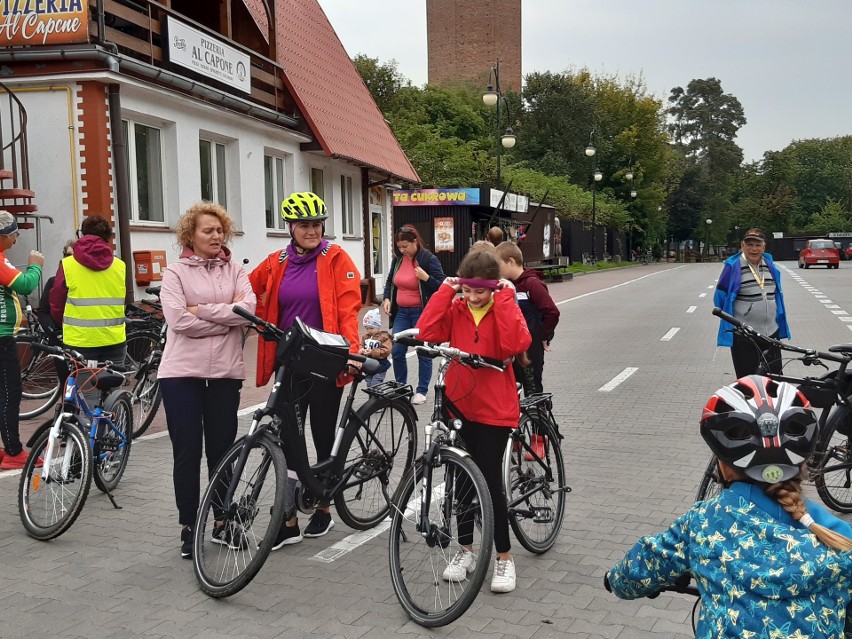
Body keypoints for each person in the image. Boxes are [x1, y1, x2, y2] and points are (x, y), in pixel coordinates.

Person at [606, 375, 852, 638]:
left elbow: (633, 575)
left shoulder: (704, 523)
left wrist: (614, 580)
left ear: (723, 465)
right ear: (803, 461)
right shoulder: (840, 539)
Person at [249, 192, 361, 548]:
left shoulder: (336, 258)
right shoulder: (276, 261)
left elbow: (348, 309)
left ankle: (325, 507)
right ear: (290, 228)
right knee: (286, 438)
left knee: (322, 433)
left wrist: (353, 353)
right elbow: (247, 290)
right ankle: (288, 517)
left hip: (325, 359)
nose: (311, 230)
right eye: (304, 225)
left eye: (316, 224)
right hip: (290, 362)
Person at [416, 250, 532, 594]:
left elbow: (516, 343)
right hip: (459, 406)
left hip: (494, 410)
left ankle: (504, 557)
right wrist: (445, 290)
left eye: (480, 290)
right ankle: (465, 551)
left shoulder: (503, 304)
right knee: (461, 482)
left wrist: (506, 295)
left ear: (492, 287)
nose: (474, 296)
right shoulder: (457, 306)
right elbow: (427, 333)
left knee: (490, 483)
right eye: (468, 290)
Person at [158, 202, 256, 558]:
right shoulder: (175, 273)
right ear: (191, 236)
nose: (216, 236)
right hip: (181, 374)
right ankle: (188, 525)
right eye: (208, 231)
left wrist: (201, 311)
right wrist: (226, 317)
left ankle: (222, 522)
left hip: (225, 374)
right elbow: (178, 321)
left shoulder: (235, 271)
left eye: (219, 231)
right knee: (187, 453)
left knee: (222, 453)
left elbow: (248, 312)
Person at [50, 215, 127, 365]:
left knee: (84, 387)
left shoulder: (67, 265)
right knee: (112, 385)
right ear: (108, 237)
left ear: (82, 234)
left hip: (80, 341)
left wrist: (66, 324)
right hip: (114, 339)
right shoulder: (120, 266)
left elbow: (56, 303)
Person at [382, 224, 445, 405]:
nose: (402, 250)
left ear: (415, 242)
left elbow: (442, 286)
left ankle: (421, 390)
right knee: (397, 350)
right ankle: (401, 387)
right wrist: (387, 298)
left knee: (422, 350)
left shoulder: (427, 259)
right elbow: (390, 281)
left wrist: (426, 278)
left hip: (421, 313)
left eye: (405, 246)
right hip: (401, 312)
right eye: (399, 247)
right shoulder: (398, 260)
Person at [0, 212, 44, 470]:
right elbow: (26, 285)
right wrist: (35, 264)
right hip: (2, 339)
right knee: (9, 394)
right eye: (15, 233)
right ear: (4, 236)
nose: (17, 239)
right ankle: (14, 451)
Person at [714, 228, 789, 378]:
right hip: (745, 336)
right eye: (749, 244)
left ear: (763, 247)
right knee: (748, 382)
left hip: (771, 334)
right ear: (742, 245)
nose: (753, 249)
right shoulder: (732, 268)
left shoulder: (770, 265)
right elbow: (720, 298)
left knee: (775, 380)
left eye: (757, 244)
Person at [495, 241, 560, 397]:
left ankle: (540, 420)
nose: (497, 270)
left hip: (531, 349)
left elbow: (552, 312)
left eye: (499, 264)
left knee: (533, 393)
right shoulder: (506, 285)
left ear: (511, 261)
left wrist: (543, 336)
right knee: (512, 391)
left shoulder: (532, 284)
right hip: (513, 349)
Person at [37, 239, 75, 344]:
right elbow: (43, 312)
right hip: (58, 339)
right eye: (68, 255)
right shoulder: (53, 281)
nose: (70, 260)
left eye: (74, 256)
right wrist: (55, 332)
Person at [359, 308, 391, 387]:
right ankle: (373, 398)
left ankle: (377, 398)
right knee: (369, 383)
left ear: (378, 326)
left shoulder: (384, 337)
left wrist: (372, 352)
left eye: (371, 328)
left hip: (380, 365)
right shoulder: (365, 337)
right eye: (367, 328)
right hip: (368, 365)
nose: (369, 330)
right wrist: (361, 349)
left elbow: (386, 351)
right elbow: (361, 345)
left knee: (375, 383)